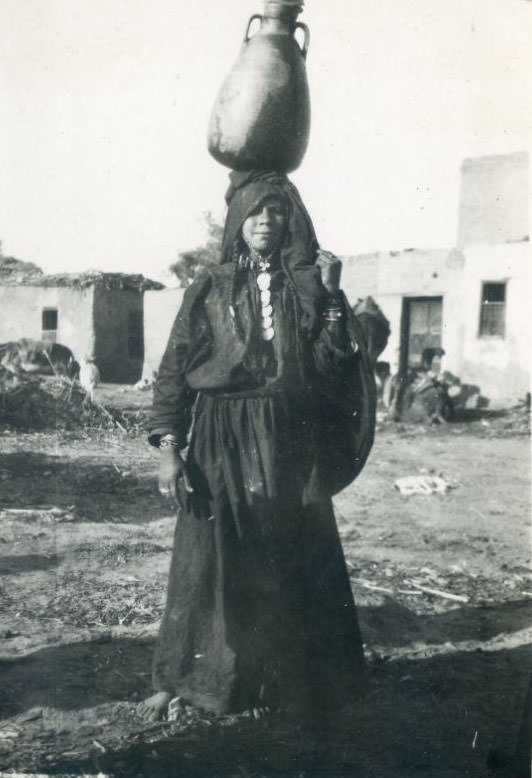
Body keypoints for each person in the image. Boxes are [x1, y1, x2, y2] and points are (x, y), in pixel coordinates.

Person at [138, 170, 376, 722]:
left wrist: (332, 295)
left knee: (293, 553)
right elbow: (174, 371)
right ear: (237, 222)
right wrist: (170, 449)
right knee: (207, 557)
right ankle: (180, 680)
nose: (266, 221)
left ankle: (288, 683)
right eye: (255, 212)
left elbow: (330, 366)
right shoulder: (209, 286)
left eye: (277, 211)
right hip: (219, 437)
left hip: (286, 438)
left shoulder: (306, 287)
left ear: (290, 221)